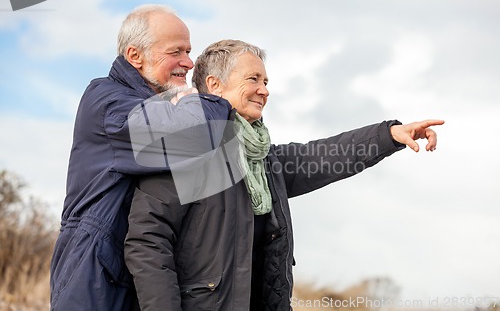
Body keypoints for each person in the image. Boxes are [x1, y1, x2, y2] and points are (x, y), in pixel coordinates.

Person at [124, 39, 444, 311]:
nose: (264, 91)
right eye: (253, 79)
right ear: (214, 85)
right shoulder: (183, 147)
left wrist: (389, 135)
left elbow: (323, 155)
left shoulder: (264, 160)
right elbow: (147, 241)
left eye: (266, 82)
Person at [49, 5, 233, 311]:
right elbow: (196, 136)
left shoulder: (158, 105)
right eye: (176, 52)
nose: (188, 62)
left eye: (188, 51)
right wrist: (214, 100)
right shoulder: (107, 101)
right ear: (135, 56)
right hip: (95, 278)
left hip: (137, 278)